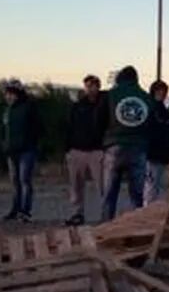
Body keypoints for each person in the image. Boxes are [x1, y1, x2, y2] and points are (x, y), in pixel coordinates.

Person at [99, 66, 153, 221]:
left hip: (114, 146)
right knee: (137, 195)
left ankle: (105, 228)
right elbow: (151, 124)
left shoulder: (110, 95)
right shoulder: (145, 97)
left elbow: (100, 119)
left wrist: (103, 141)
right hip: (138, 147)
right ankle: (138, 228)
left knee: (109, 193)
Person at [64, 75, 106, 226]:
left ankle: (105, 214)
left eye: (93, 85)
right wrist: (68, 149)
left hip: (97, 151)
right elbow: (69, 127)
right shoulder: (78, 106)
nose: (90, 89)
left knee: (102, 185)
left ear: (98, 86)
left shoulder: (104, 104)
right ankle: (77, 213)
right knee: (76, 185)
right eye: (87, 86)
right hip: (77, 150)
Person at [1, 79, 43, 223]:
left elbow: (37, 127)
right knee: (14, 182)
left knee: (25, 180)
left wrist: (32, 143)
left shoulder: (28, 107)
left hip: (26, 150)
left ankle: (25, 211)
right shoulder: (7, 111)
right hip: (11, 151)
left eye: (12, 94)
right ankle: (15, 209)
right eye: (7, 94)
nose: (9, 97)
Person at [145, 80, 169, 203]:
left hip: (162, 155)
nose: (162, 94)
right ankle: (146, 212)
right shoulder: (151, 108)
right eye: (159, 91)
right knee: (151, 187)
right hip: (152, 154)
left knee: (157, 187)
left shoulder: (164, 110)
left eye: (164, 91)